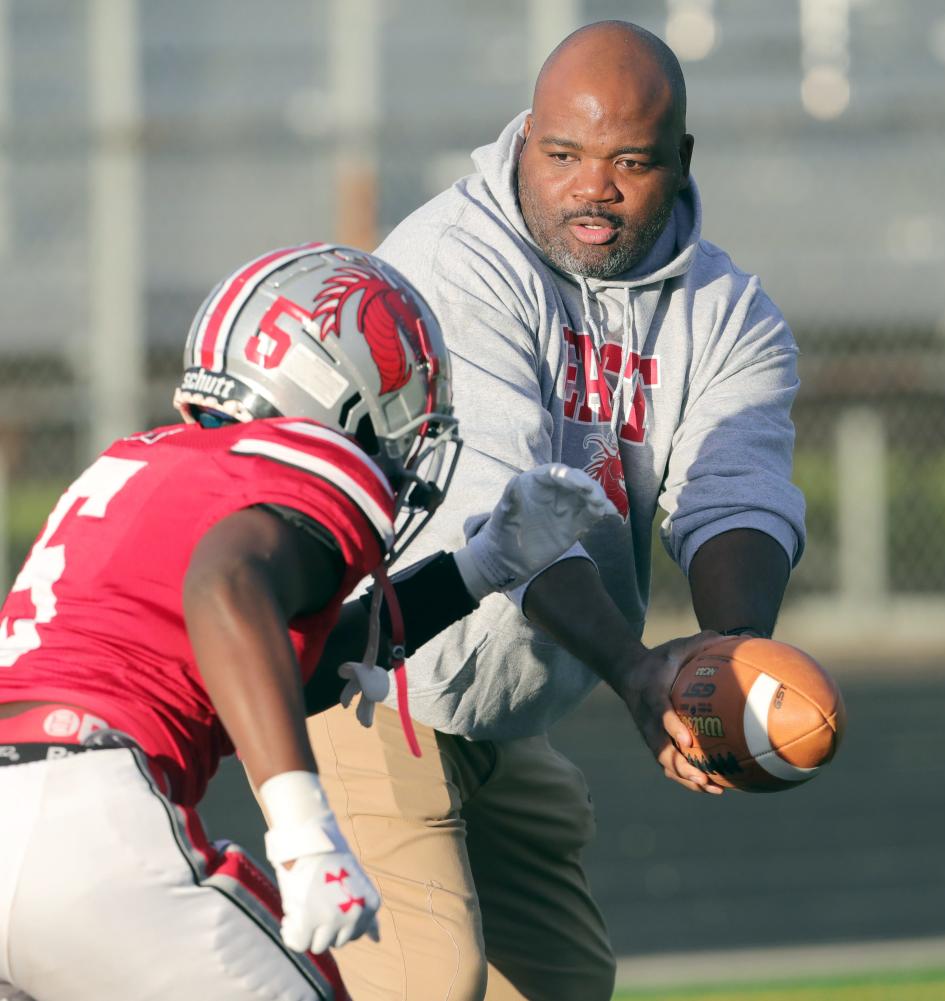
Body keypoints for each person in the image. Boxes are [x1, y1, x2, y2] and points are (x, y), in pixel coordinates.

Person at [305, 20, 807, 1001]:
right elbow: (495, 513)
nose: (593, 189)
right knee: (424, 978)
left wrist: (726, 657)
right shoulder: (453, 263)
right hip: (375, 669)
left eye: (629, 161)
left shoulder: (726, 309)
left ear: (681, 160)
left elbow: (733, 490)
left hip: (501, 713)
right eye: (565, 155)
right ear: (526, 137)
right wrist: (634, 670)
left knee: (564, 984)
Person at [0, 242, 614, 1001]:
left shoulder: (148, 463)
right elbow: (228, 586)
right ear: (336, 379)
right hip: (91, 827)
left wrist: (482, 565)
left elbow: (264, 663)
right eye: (403, 381)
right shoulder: (298, 465)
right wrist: (304, 833)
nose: (416, 414)